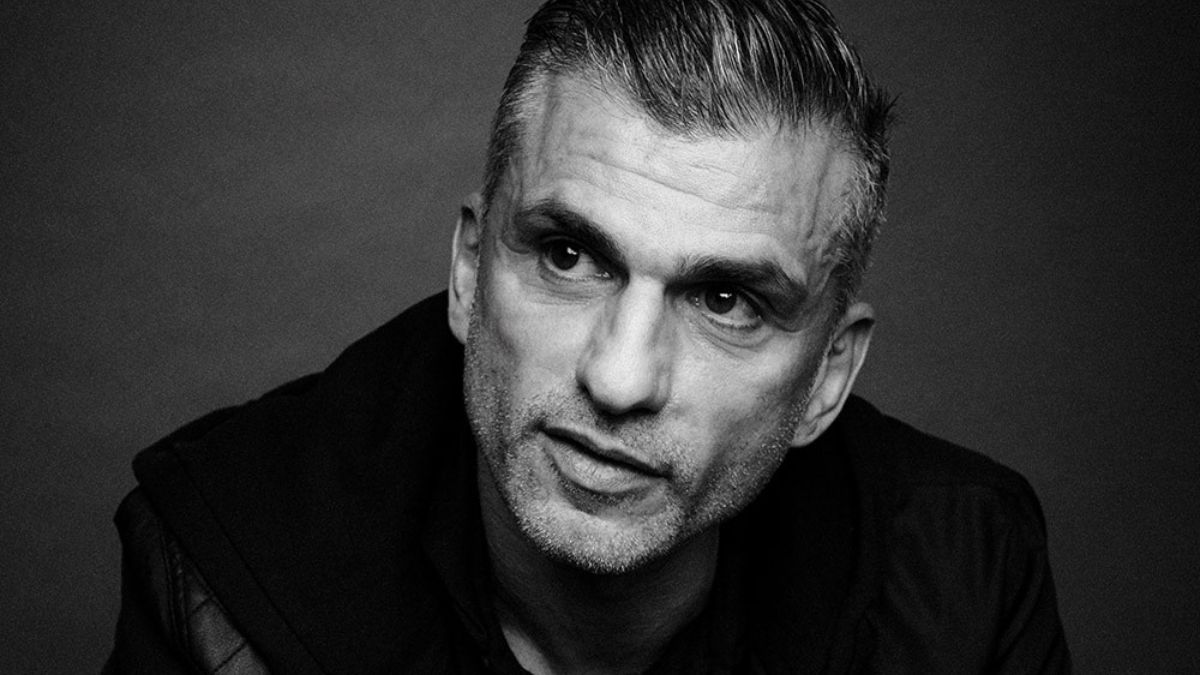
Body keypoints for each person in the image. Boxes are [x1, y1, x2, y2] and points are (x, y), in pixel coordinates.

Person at [104, 0, 1071, 672]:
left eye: (725, 300)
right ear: (469, 271)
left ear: (827, 376)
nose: (618, 376)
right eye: (568, 255)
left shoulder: (962, 578)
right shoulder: (224, 570)